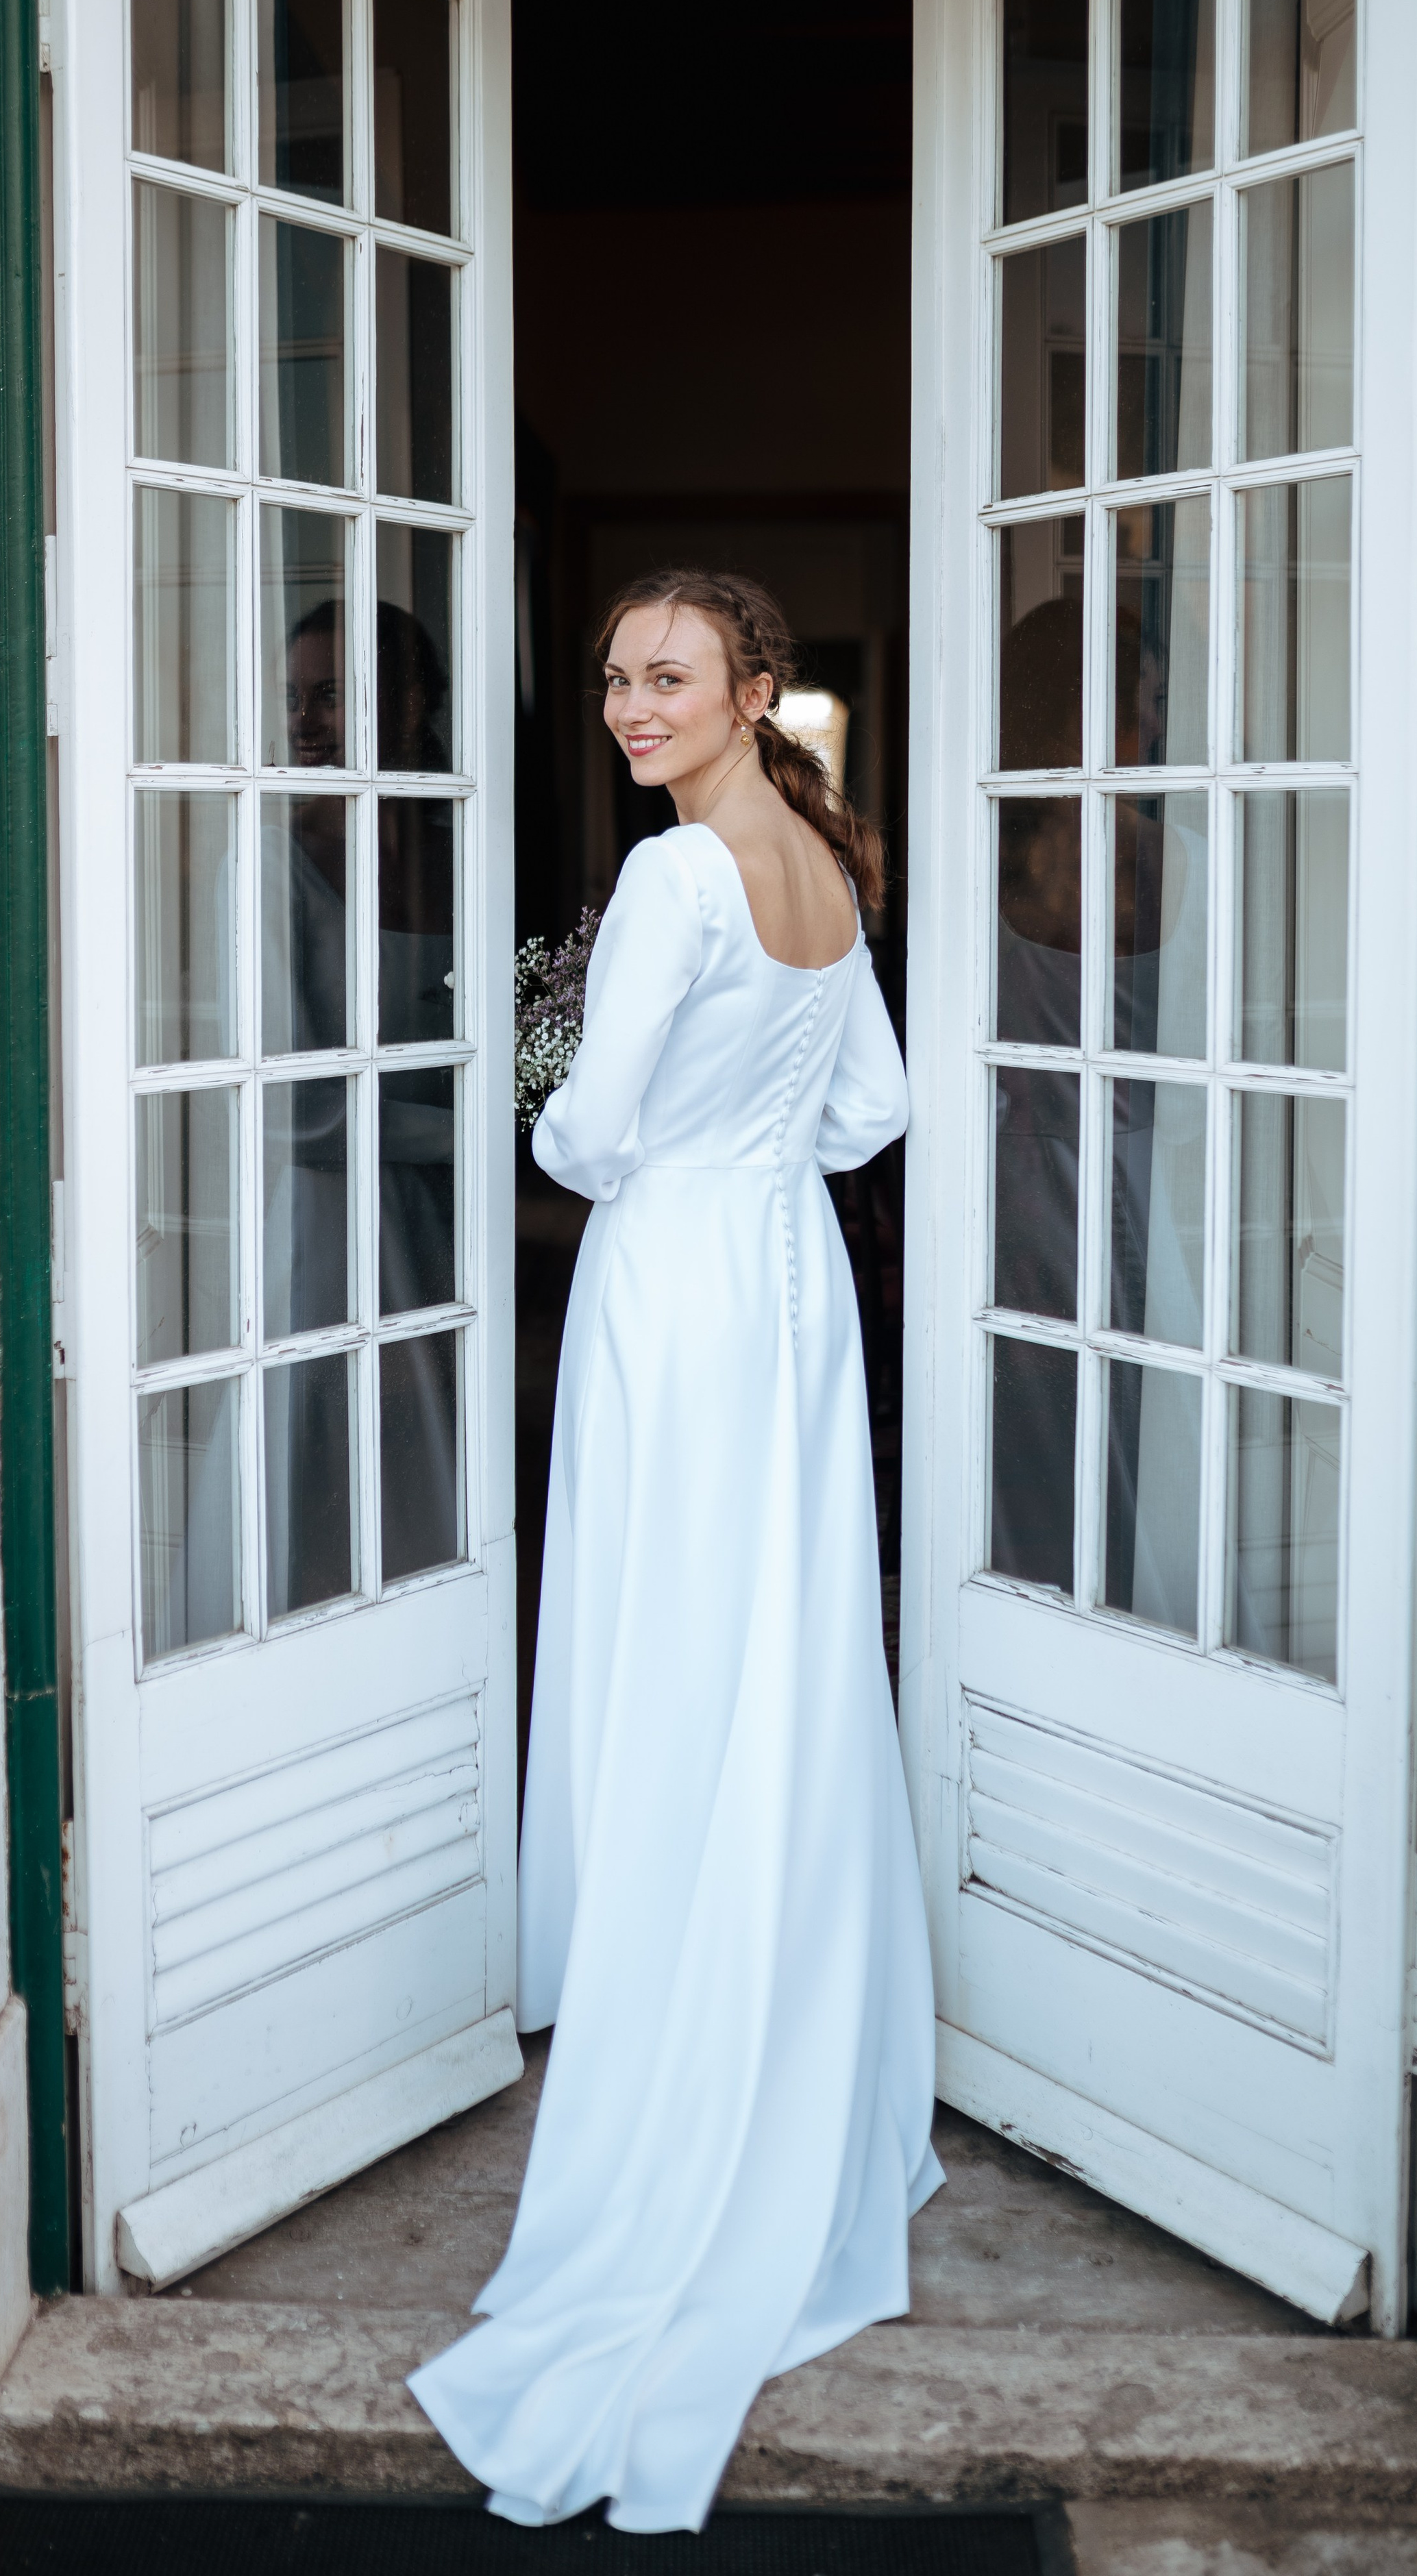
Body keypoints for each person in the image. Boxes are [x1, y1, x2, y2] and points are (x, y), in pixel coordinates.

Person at [408, 569, 943, 2531]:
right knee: (785, 1652)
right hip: (791, 1287)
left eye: (673, 676)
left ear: (755, 689)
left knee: (670, 1652)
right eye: (618, 676)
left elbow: (586, 1135)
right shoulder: (816, 859)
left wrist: (574, 1103)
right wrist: (750, 1143)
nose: (633, 704)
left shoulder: (669, 882)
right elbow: (873, 1107)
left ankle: (680, 2048)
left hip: (675, 1286)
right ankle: (801, 2030)